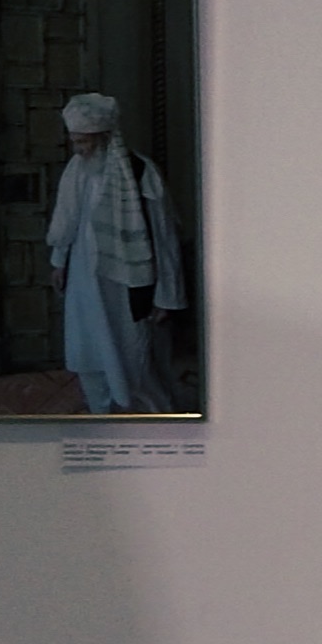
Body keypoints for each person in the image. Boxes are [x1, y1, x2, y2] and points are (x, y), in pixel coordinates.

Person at [45, 92, 183, 411]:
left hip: (125, 288)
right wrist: (59, 261)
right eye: (75, 141)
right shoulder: (77, 170)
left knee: (134, 360)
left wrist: (166, 297)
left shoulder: (139, 172)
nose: (79, 149)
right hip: (84, 282)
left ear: (105, 138)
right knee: (89, 353)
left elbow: (164, 240)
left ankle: (154, 421)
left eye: (85, 142)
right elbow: (67, 220)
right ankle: (102, 416)